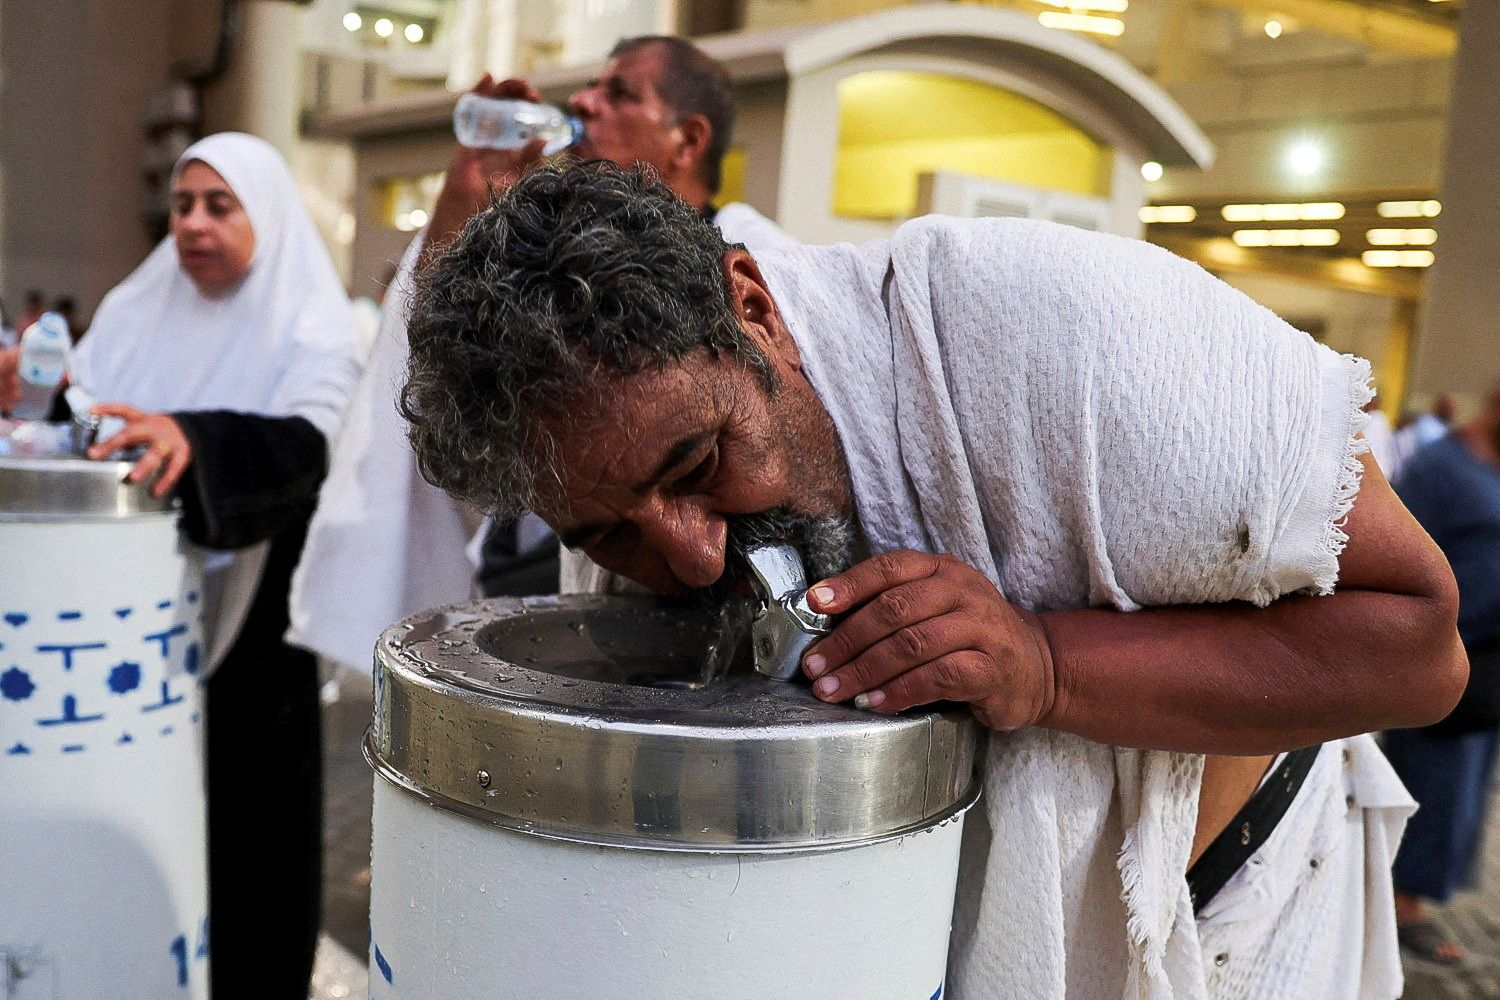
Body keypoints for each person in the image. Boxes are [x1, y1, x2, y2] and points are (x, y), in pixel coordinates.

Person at [399, 163, 1466, 999]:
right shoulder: (621, 459)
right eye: (611, 534)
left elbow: (1423, 647)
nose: (691, 557)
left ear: (752, 306)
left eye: (700, 466)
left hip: (1231, 916)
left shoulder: (1067, 338)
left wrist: (1048, 667)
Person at [288, 34, 794, 670]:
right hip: (526, 584)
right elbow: (448, 371)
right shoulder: (558, 268)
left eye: (620, 94)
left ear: (687, 140)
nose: (583, 101)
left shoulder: (752, 258)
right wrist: (467, 197)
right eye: (591, 87)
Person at [69, 132, 363, 1000]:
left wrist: (192, 440)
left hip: (253, 639)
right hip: (119, 629)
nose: (193, 224)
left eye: (219, 205)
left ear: (265, 214)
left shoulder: (313, 322)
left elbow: (310, 448)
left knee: (245, 862)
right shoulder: (136, 306)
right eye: (183, 204)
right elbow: (88, 408)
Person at [1383, 386, 1500, 967]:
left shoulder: (1490, 469)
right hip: (1441, 656)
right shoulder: (1440, 467)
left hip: (1488, 666)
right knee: (1429, 783)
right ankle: (1400, 908)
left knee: (1463, 794)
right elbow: (1397, 554)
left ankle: (1415, 900)